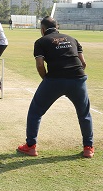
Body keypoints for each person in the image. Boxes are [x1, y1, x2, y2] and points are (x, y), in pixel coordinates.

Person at [17, 16, 95, 158]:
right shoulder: (72, 39)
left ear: (42, 29)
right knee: (84, 114)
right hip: (78, 79)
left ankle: (30, 146)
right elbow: (83, 63)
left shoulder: (41, 41)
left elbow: (40, 64)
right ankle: (88, 148)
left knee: (35, 111)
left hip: (55, 80)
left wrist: (46, 80)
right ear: (57, 26)